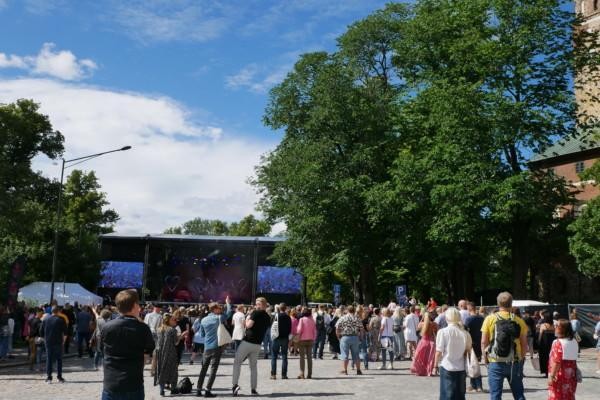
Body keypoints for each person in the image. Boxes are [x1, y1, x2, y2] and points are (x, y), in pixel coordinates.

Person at [101, 289, 155, 400]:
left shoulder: (107, 327)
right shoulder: (143, 328)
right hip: (133, 383)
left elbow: (103, 351)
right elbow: (147, 356)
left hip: (111, 383)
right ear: (135, 306)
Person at [481, 291, 528, 400]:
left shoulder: (489, 319)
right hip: (514, 362)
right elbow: (524, 344)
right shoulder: (519, 321)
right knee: (519, 395)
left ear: (498, 304)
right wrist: (521, 359)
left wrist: (485, 358)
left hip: (495, 361)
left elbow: (484, 342)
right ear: (511, 304)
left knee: (495, 395)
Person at [232, 297, 271, 396]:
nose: (256, 305)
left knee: (237, 362)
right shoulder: (268, 316)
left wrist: (245, 320)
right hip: (257, 344)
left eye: (258, 303)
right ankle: (253, 388)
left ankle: (234, 385)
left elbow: (248, 325)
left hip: (248, 342)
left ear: (262, 304)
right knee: (253, 367)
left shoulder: (255, 313)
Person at [434, 308, 472, 400]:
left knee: (446, 395)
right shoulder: (465, 333)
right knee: (460, 396)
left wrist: (435, 365)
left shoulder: (443, 332)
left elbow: (439, 351)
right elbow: (467, 351)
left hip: (447, 366)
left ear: (447, 318)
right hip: (461, 367)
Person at [196, 302, 226, 398]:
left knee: (203, 369)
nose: (220, 309)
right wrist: (228, 304)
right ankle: (207, 390)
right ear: (215, 309)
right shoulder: (218, 318)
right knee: (213, 370)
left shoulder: (203, 319)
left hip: (207, 347)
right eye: (219, 308)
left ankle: (198, 389)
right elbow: (228, 314)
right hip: (216, 347)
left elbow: (202, 334)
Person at [547, 319, 578, 400]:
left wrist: (552, 376)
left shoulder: (558, 342)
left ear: (562, 329)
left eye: (557, 326)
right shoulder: (574, 341)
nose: (555, 327)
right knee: (569, 396)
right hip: (571, 376)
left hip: (560, 375)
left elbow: (557, 361)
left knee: (557, 396)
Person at [155, 313, 184, 396]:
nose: (175, 321)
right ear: (168, 321)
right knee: (173, 370)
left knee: (161, 369)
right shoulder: (172, 330)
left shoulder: (159, 329)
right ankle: (173, 389)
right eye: (173, 320)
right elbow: (176, 343)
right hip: (170, 352)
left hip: (160, 352)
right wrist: (181, 336)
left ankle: (162, 390)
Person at [40, 306, 68, 383]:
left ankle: (49, 377)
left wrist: (44, 340)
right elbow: (65, 333)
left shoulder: (45, 319)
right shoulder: (61, 320)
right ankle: (59, 377)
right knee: (59, 360)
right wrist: (63, 341)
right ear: (58, 311)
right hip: (58, 342)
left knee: (49, 359)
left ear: (51, 311)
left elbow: (41, 332)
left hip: (48, 342)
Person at [335, 305, 364, 375]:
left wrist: (338, 337)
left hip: (345, 337)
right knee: (356, 354)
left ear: (347, 310)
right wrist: (361, 337)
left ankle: (345, 370)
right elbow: (362, 329)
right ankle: (358, 370)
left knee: (345, 354)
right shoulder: (357, 318)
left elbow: (337, 328)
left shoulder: (343, 318)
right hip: (355, 337)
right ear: (354, 310)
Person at [464, 301, 484, 392]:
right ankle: (473, 385)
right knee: (474, 365)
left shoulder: (469, 319)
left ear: (469, 308)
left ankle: (478, 385)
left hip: (472, 344)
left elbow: (465, 332)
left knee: (473, 365)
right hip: (479, 344)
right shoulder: (481, 318)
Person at [411, 311, 438, 376]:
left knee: (420, 357)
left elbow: (417, 330)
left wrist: (421, 320)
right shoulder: (434, 324)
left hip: (423, 341)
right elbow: (437, 332)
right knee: (430, 358)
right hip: (431, 342)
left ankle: (420, 370)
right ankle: (429, 371)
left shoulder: (421, 324)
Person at [271, 303, 292, 379]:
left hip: (276, 338)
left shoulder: (276, 316)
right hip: (285, 338)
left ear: (279, 308)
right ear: (285, 308)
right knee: (284, 357)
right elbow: (290, 329)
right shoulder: (288, 317)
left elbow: (272, 326)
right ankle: (284, 375)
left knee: (274, 356)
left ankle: (273, 375)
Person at [296, 306, 317, 379]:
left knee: (302, 357)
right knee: (309, 357)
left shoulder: (301, 319)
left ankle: (302, 373)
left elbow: (299, 330)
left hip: (302, 340)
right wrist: (314, 339)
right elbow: (315, 331)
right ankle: (309, 374)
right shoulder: (313, 320)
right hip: (310, 339)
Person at [538, 310, 555, 378]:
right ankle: (551, 371)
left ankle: (546, 372)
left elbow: (540, 335)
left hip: (544, 343)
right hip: (551, 343)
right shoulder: (553, 325)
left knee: (544, 358)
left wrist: (538, 343)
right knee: (551, 357)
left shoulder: (543, 325)